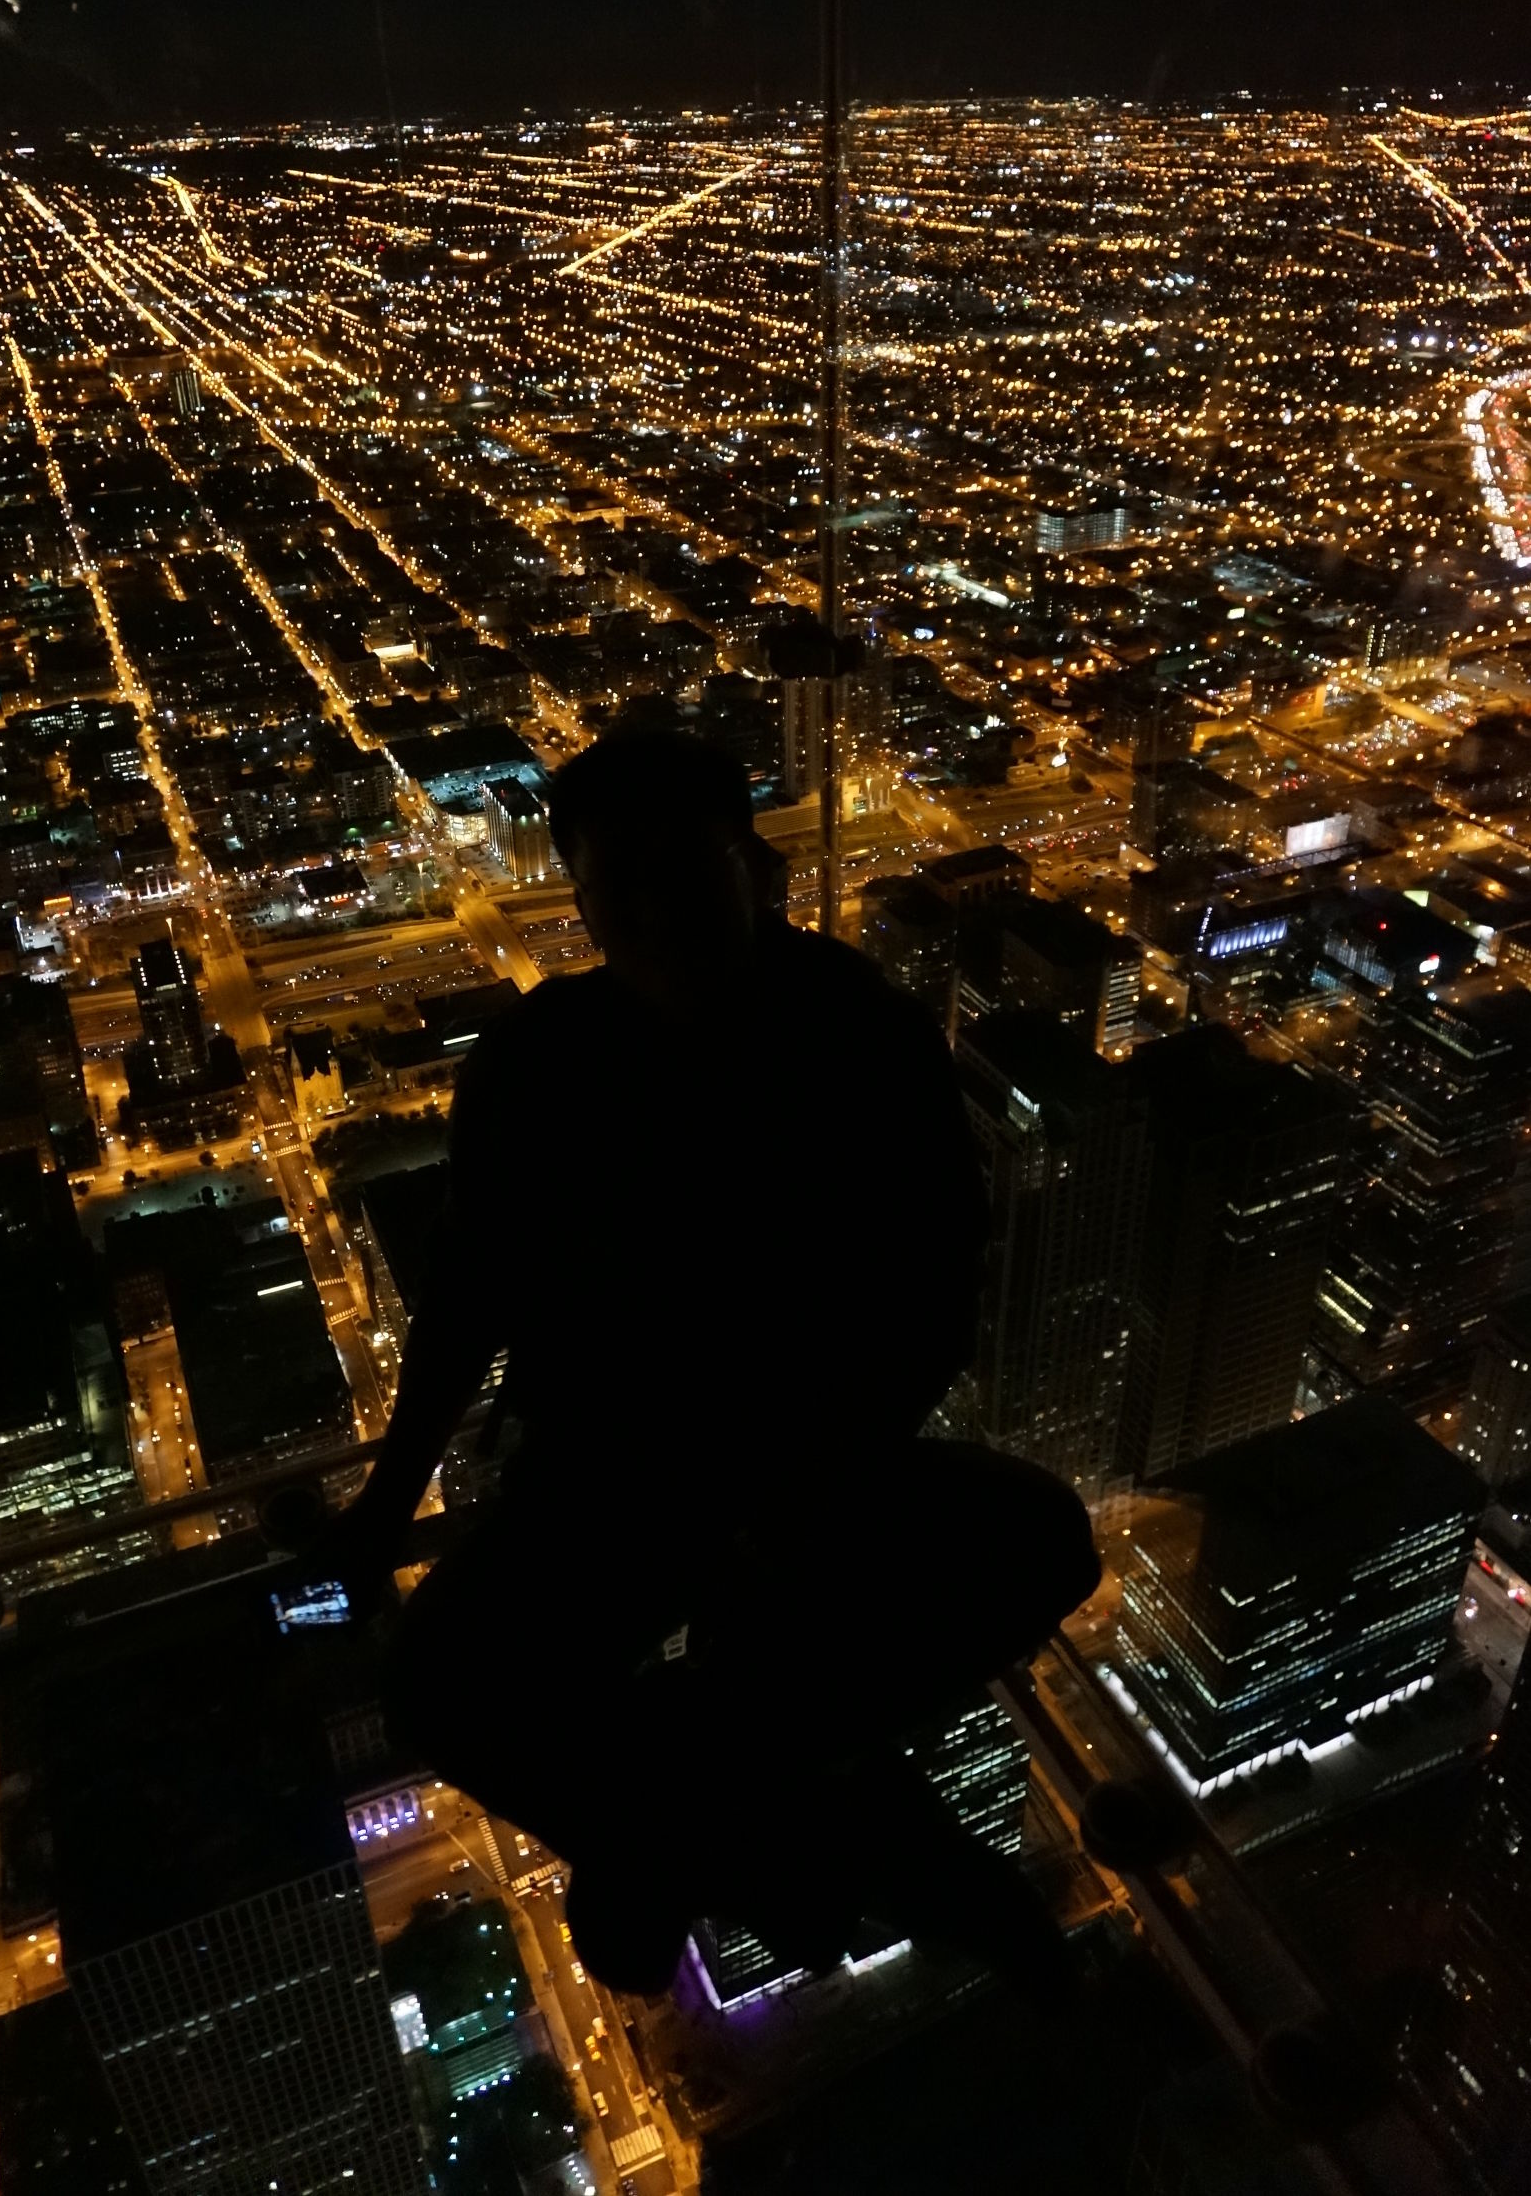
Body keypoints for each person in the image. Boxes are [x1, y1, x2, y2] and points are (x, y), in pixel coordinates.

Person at [330, 730, 1098, 1993]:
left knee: (1049, 1544)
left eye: (671, 875)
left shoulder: (857, 1033)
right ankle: (794, 1814)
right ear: (578, 900)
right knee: (435, 1688)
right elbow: (468, 1299)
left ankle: (702, 1827)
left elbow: (930, 1301)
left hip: (801, 1476)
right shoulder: (542, 1061)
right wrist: (381, 1498)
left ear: (752, 864)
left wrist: (797, 1484)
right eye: (607, 890)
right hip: (616, 1476)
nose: (641, 916)